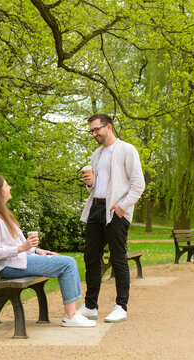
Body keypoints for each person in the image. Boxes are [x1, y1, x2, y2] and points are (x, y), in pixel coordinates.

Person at [0, 175, 96, 327]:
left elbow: (19, 245)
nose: (10, 188)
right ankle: (70, 316)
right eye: (6, 186)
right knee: (67, 263)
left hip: (17, 262)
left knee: (65, 261)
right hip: (9, 268)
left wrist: (38, 250)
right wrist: (22, 248)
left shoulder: (3, 216)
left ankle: (72, 314)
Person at [80, 113, 145, 323]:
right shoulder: (95, 155)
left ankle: (121, 306)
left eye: (96, 129)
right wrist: (89, 184)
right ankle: (90, 306)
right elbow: (95, 188)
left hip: (115, 211)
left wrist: (121, 207)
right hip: (96, 209)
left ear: (108, 127)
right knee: (91, 258)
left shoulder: (127, 150)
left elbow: (138, 185)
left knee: (118, 259)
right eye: (91, 131)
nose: (94, 134)